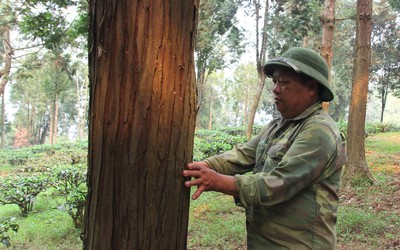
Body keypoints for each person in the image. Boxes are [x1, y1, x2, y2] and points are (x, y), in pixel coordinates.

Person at [183, 47, 347, 249]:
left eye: (284, 83)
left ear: (311, 87)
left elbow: (278, 184)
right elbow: (243, 155)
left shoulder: (319, 131)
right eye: (275, 81)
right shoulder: (279, 124)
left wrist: (217, 181)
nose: (276, 89)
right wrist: (203, 166)